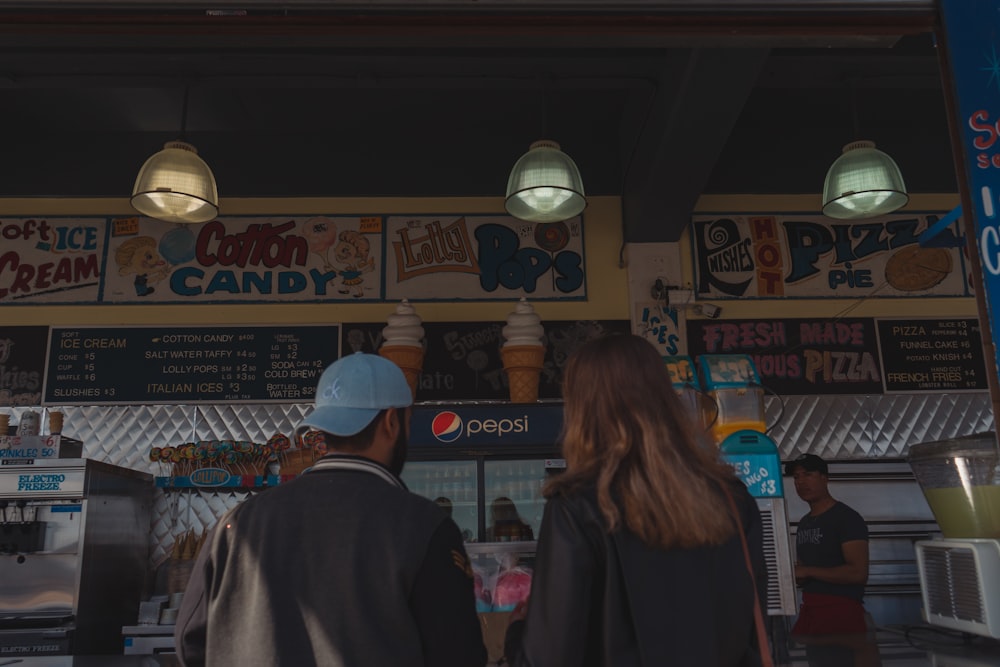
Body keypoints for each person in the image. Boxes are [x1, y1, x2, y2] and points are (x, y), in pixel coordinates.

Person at [175, 352, 487, 667]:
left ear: (322, 426)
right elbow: (458, 655)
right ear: (392, 422)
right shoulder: (425, 527)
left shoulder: (238, 523)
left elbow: (191, 643)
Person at [504, 334, 768, 667]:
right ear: (663, 398)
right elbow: (754, 630)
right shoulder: (733, 499)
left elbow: (548, 658)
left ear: (581, 409)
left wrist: (516, 634)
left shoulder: (578, 507)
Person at [786, 453, 871, 636]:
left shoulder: (846, 518)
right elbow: (802, 571)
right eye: (796, 477)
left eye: (808, 474)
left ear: (824, 478)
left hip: (842, 613)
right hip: (811, 610)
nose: (801, 482)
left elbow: (858, 573)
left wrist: (807, 571)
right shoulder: (804, 523)